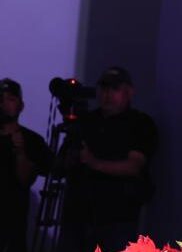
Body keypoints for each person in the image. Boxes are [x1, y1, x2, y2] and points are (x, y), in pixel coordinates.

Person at [58, 67, 158, 252]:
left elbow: (133, 166)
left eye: (114, 89)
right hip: (78, 216)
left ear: (129, 92)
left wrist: (93, 162)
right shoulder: (86, 121)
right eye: (104, 89)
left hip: (116, 218)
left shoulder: (140, 123)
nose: (108, 94)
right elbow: (62, 163)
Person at [0, 78, 54, 252]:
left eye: (10, 99)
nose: (3, 104)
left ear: (21, 106)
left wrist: (21, 152)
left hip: (12, 228)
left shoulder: (32, 141)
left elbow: (26, 179)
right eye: (0, 99)